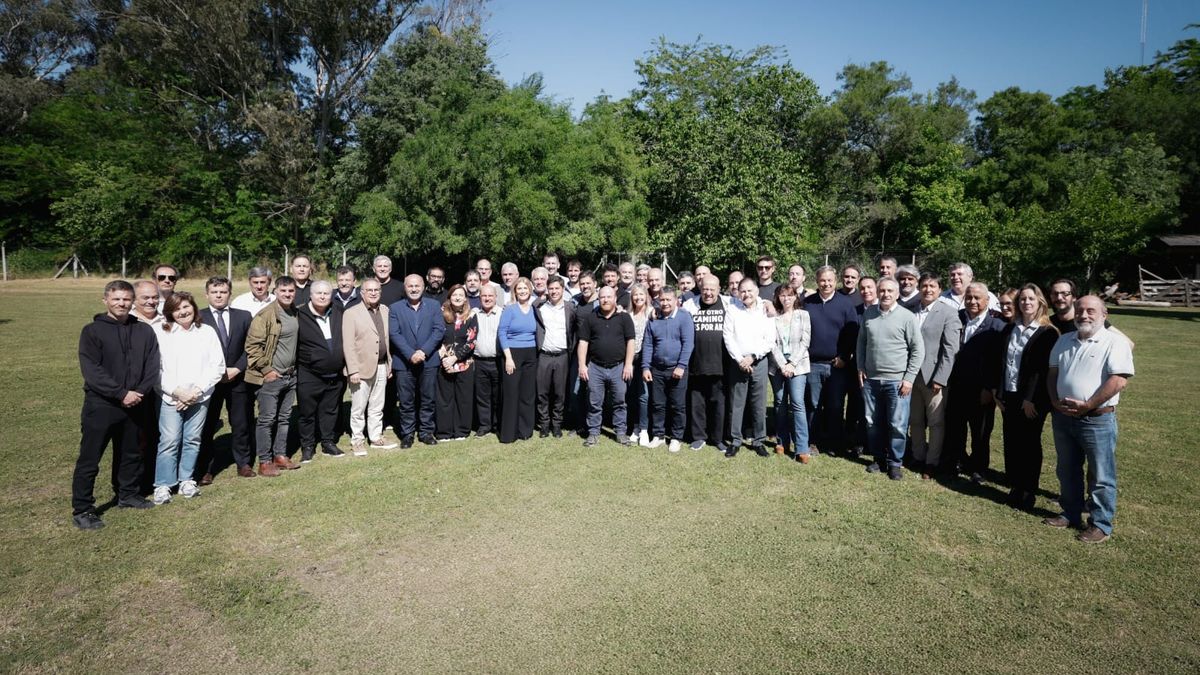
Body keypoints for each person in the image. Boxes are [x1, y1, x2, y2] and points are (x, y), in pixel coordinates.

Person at [71, 281, 161, 529]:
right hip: (102, 405)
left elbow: (152, 365)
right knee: (90, 458)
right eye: (116, 299)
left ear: (133, 302)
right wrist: (120, 393)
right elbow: (92, 370)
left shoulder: (144, 331)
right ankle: (83, 508)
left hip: (136, 403)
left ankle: (127, 494)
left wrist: (139, 392)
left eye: (126, 299)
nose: (121, 303)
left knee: (131, 453)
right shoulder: (92, 331)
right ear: (106, 300)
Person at [1044, 295, 1133, 544]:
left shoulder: (1115, 343)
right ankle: (1070, 513)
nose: (1084, 315)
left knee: (1101, 475)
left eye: (1091, 311)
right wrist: (1054, 400)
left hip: (1097, 419)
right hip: (1064, 417)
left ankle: (1100, 524)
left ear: (1104, 315)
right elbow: (1052, 373)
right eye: (1080, 310)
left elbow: (1119, 380)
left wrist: (1088, 405)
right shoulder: (1064, 340)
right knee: (1067, 469)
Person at [151, 291, 225, 504]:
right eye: (177, 309)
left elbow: (217, 366)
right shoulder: (161, 332)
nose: (183, 312)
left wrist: (196, 392)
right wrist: (177, 392)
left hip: (199, 397)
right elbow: (156, 369)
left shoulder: (206, 331)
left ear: (193, 307)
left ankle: (186, 480)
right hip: (170, 397)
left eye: (186, 306)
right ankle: (163, 484)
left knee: (192, 439)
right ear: (169, 312)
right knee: (170, 440)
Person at [991, 284, 1059, 510]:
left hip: (1031, 400)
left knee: (1029, 444)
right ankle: (1016, 486)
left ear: (1040, 302)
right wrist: (998, 392)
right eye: (1022, 299)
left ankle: (1029, 489)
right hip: (1009, 395)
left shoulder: (1047, 332)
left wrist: (1030, 399)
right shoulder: (1011, 328)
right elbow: (1001, 362)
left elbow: (1041, 370)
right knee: (1012, 441)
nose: (1026, 302)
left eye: (1031, 299)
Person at [857, 277, 923, 480]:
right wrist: (860, 367)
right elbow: (861, 343)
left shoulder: (907, 317)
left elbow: (918, 350)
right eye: (882, 291)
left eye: (890, 291)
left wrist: (909, 378)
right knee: (872, 422)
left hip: (897, 381)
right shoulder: (869, 313)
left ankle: (895, 463)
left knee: (897, 424)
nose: (885, 294)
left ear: (897, 293)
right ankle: (878, 458)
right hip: (871, 380)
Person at [943, 282, 1006, 481]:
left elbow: (998, 362)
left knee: (980, 431)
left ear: (987, 300)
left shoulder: (997, 326)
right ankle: (956, 461)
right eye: (968, 297)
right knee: (955, 427)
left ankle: (979, 468)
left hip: (981, 389)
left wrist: (989, 388)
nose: (972, 301)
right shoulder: (956, 318)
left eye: (977, 298)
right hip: (956, 385)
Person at [197, 276, 255, 483]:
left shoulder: (243, 316)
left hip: (237, 379)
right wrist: (215, 372)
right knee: (207, 425)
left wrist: (237, 368)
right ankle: (205, 468)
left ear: (230, 294)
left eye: (223, 292)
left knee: (241, 423)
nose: (219, 296)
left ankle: (243, 463)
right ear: (207, 295)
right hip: (210, 382)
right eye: (214, 292)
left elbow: (251, 346)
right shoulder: (198, 317)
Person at [245, 276, 301, 476]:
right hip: (271, 377)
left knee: (284, 418)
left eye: (291, 291)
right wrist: (266, 370)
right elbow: (252, 347)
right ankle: (265, 461)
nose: (287, 294)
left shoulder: (295, 312)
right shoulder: (265, 316)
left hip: (290, 375)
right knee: (267, 419)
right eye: (283, 291)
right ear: (275, 292)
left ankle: (280, 455)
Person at [908, 273, 961, 479]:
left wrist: (941, 377)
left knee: (936, 422)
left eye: (932, 286)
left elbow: (951, 349)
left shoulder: (948, 313)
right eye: (924, 285)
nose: (928, 290)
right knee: (915, 420)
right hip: (911, 376)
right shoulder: (911, 310)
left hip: (934, 378)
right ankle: (918, 456)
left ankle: (932, 461)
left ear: (939, 290)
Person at [805, 266, 858, 455]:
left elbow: (852, 332)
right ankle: (813, 441)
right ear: (817, 281)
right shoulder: (807, 303)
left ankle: (835, 443)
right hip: (813, 364)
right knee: (813, 405)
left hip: (837, 365)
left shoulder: (846, 304)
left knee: (835, 405)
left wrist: (844, 356)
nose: (826, 284)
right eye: (822, 280)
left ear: (835, 281)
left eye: (830, 280)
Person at [577, 286, 636, 447]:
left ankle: (621, 433)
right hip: (596, 367)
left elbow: (630, 341)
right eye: (602, 297)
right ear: (599, 299)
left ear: (615, 298)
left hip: (619, 367)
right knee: (594, 403)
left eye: (609, 297)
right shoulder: (591, 318)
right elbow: (583, 342)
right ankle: (593, 433)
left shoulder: (624, 318)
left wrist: (628, 364)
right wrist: (582, 365)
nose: (605, 300)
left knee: (620, 402)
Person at [390, 274, 444, 447]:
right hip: (404, 362)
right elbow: (394, 333)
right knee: (406, 401)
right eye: (410, 286)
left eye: (417, 286)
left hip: (429, 361)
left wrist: (423, 351)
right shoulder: (395, 308)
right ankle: (407, 434)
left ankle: (426, 432)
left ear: (423, 286)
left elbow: (438, 330)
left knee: (428, 399)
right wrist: (410, 354)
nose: (414, 289)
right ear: (405, 288)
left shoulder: (434, 305)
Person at [723, 278, 775, 457]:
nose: (746, 294)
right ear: (738, 293)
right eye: (743, 291)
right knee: (736, 404)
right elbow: (728, 336)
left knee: (759, 404)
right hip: (738, 363)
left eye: (750, 290)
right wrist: (740, 360)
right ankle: (735, 441)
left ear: (757, 291)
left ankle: (759, 441)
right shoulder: (733, 309)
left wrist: (752, 357)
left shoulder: (765, 309)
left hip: (759, 361)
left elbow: (770, 339)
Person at [295, 280, 346, 462]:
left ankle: (327, 442)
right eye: (319, 293)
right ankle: (308, 446)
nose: (323, 297)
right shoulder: (299, 314)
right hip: (309, 373)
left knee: (330, 410)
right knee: (307, 413)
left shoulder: (338, 311)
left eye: (326, 293)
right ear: (311, 295)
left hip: (335, 374)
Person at [343, 278, 394, 455]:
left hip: (381, 365)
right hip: (360, 368)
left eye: (376, 290)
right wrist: (352, 370)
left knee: (377, 406)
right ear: (362, 293)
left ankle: (376, 437)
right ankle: (357, 440)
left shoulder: (385, 310)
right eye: (369, 290)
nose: (373, 293)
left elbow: (386, 339)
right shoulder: (351, 313)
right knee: (358, 407)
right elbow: (348, 344)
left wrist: (388, 364)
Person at [641, 286, 694, 452]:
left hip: (677, 369)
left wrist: (681, 366)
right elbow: (648, 344)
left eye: (668, 300)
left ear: (676, 300)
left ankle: (677, 437)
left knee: (677, 405)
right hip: (657, 369)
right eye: (662, 300)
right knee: (657, 404)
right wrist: (645, 367)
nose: (665, 303)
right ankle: (658, 435)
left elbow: (688, 343)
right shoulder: (654, 318)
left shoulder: (684, 317)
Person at [683, 275, 730, 452]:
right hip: (696, 363)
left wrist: (766, 304)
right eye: (705, 289)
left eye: (712, 289)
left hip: (720, 364)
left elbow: (751, 302)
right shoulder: (690, 305)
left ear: (719, 289)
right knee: (697, 403)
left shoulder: (729, 303)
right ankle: (698, 437)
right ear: (700, 289)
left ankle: (718, 438)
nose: (708, 293)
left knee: (719, 403)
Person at [768, 285, 811, 462]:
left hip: (798, 365)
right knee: (779, 403)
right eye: (782, 295)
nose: (786, 299)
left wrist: (792, 363)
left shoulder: (803, 315)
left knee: (797, 403)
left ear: (795, 297)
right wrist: (783, 364)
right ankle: (782, 441)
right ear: (778, 298)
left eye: (790, 295)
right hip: (777, 366)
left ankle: (802, 447)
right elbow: (771, 343)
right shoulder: (773, 318)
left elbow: (805, 341)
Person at [498, 277, 538, 442]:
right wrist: (508, 357)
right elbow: (502, 333)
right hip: (512, 354)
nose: (522, 291)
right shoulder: (510, 309)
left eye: (525, 288)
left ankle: (525, 431)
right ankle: (509, 433)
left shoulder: (535, 309)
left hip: (531, 353)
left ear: (530, 290)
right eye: (519, 288)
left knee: (527, 394)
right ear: (515, 291)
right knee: (511, 393)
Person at [535, 277, 576, 438]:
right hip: (544, 355)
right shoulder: (539, 307)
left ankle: (557, 424)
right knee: (542, 393)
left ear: (563, 289)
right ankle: (544, 424)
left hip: (562, 356)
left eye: (557, 288)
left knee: (560, 393)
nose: (554, 291)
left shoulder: (570, 308)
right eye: (551, 288)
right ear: (547, 290)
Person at [436, 285, 477, 441]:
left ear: (465, 298)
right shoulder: (441, 313)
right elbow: (436, 335)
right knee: (444, 399)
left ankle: (462, 430)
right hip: (444, 362)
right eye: (454, 295)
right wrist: (444, 357)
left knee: (463, 398)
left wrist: (455, 358)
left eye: (461, 295)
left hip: (464, 363)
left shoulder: (471, 315)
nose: (458, 297)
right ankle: (444, 432)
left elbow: (472, 341)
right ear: (449, 297)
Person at [472, 284, 504, 437]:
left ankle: (497, 424)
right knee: (482, 395)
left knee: (497, 395)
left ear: (495, 297)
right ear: (480, 298)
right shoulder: (474, 314)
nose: (487, 298)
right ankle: (484, 425)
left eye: (490, 296)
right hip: (479, 361)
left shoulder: (503, 313)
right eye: (484, 296)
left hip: (498, 361)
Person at [625, 284, 653, 445]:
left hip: (645, 359)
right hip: (630, 359)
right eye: (635, 295)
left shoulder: (652, 313)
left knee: (644, 395)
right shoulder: (627, 315)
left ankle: (644, 429)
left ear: (646, 296)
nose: (638, 298)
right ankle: (635, 427)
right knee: (631, 394)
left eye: (641, 294)